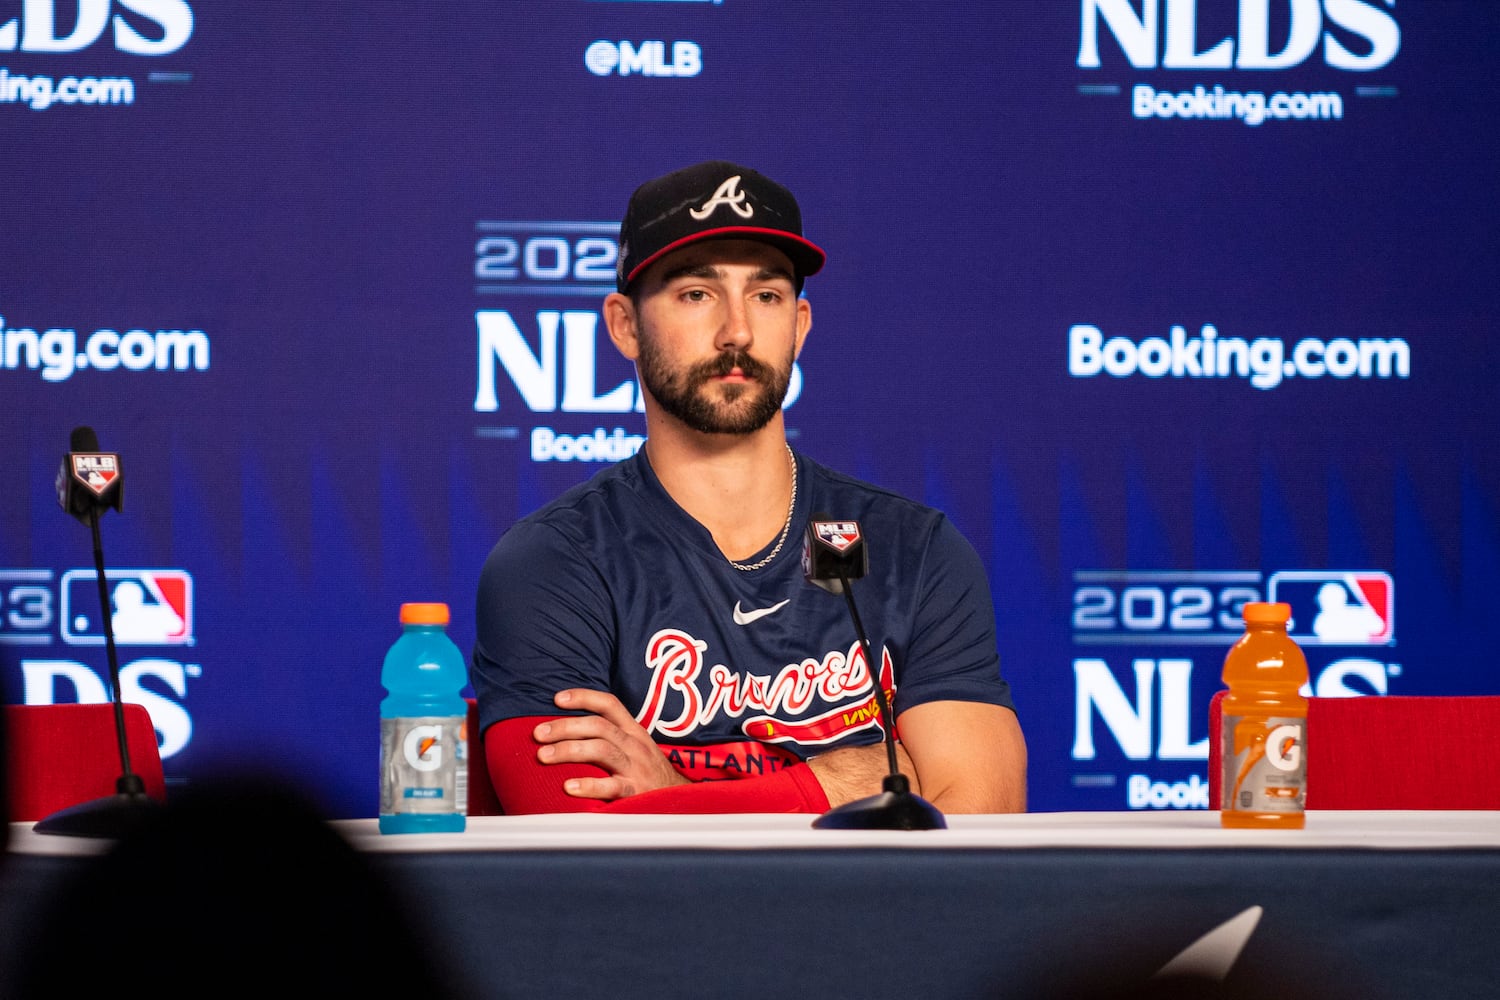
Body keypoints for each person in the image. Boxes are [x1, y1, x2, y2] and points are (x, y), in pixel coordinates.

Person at [470, 160, 1026, 815]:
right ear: (624, 326)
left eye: (766, 295)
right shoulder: (556, 562)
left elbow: (979, 813)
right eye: (696, 294)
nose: (737, 331)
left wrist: (675, 800)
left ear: (801, 324)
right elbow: (568, 842)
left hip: (878, 922)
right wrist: (831, 783)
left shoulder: (912, 551)